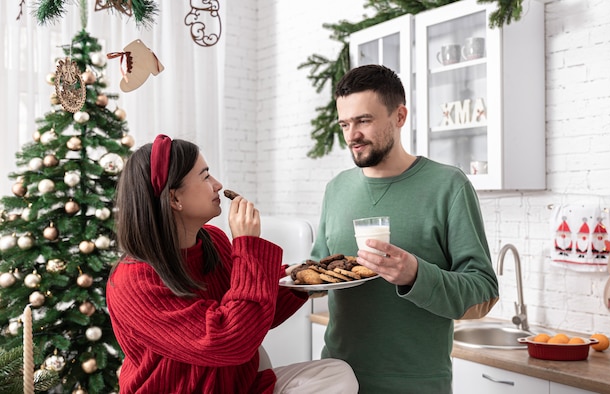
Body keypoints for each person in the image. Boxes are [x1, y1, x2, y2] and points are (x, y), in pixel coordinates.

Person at [106, 134, 358, 393]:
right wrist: (247, 244)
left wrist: (298, 280)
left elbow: (250, 314)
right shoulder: (133, 282)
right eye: (205, 176)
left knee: (337, 374)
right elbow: (231, 340)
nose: (217, 185)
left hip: (235, 385)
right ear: (174, 199)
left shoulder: (213, 242)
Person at [310, 65, 499, 393]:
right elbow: (319, 273)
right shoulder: (336, 189)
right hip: (338, 380)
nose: (352, 135)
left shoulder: (448, 186)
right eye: (345, 123)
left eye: (364, 121)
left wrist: (416, 275)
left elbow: (483, 293)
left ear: (399, 116)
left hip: (417, 384)